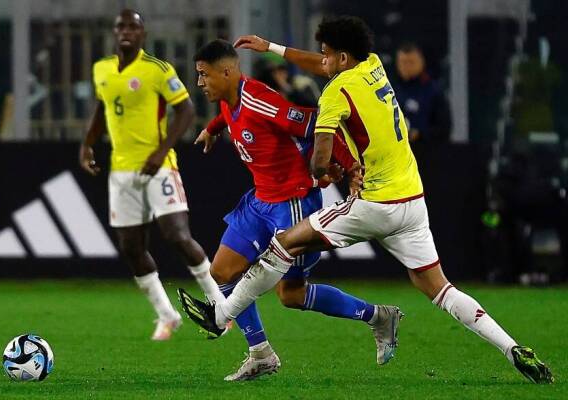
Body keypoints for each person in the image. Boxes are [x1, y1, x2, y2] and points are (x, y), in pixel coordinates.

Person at [179, 17, 554, 384]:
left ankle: (222, 314)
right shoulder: (375, 67)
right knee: (441, 290)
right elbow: (319, 69)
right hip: (412, 201)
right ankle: (512, 348)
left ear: (342, 59)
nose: (320, 61)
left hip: (372, 204)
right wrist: (273, 49)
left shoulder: (334, 95)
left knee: (284, 244)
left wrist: (331, 170)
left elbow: (319, 158)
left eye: (326, 54)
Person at [177, 39, 403, 381]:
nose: (200, 83)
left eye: (204, 75)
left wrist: (349, 166)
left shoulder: (259, 100)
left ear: (228, 71)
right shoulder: (228, 99)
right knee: (221, 272)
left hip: (293, 203)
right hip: (260, 201)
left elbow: (314, 123)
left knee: (291, 295)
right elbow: (229, 115)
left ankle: (377, 316)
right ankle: (261, 353)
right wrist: (213, 128)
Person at [79, 9, 222, 341]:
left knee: (177, 236)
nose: (126, 31)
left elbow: (186, 110)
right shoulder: (101, 69)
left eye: (133, 26)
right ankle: (166, 315)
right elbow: (101, 108)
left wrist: (160, 153)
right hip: (121, 172)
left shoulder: (158, 70)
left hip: (160, 168)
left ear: (143, 34)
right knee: (131, 247)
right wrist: (87, 144)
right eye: (121, 26)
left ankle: (220, 303)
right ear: (114, 33)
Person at [394, 42, 451, 144]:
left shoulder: (433, 91)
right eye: (403, 62)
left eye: (411, 62)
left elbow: (444, 128)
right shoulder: (389, 89)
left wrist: (420, 134)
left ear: (421, 62)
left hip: (426, 152)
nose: (406, 66)